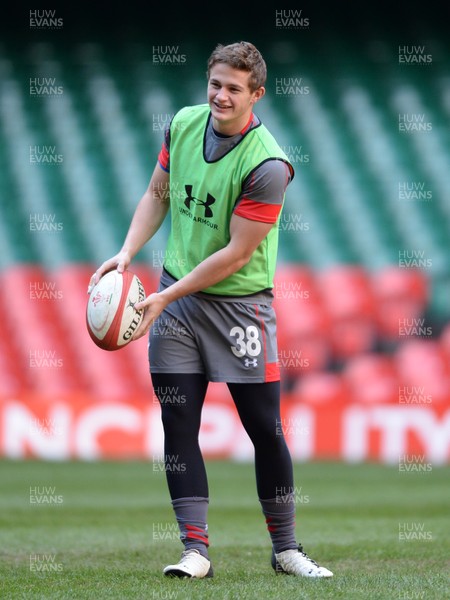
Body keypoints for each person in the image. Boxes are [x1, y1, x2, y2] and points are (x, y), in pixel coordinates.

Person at [89, 41, 333, 579]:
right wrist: (126, 254)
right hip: (176, 296)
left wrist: (162, 299)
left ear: (257, 95)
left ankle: (287, 548)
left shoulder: (268, 164)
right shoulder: (182, 124)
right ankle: (195, 551)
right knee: (178, 422)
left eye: (234, 89)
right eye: (216, 84)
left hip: (240, 309)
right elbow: (159, 192)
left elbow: (238, 254)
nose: (222, 96)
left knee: (264, 428)